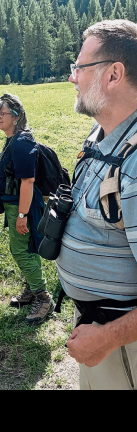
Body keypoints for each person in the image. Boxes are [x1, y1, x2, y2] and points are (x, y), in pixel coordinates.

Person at [56, 20, 137, 389]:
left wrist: (106, 338)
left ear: (114, 75)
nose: (73, 77)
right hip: (98, 330)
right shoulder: (101, 135)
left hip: (122, 345)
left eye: (80, 67)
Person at [0, 93, 52, 325]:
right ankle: (31, 287)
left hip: (21, 205)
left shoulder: (22, 142)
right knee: (28, 248)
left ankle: (42, 297)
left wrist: (22, 215)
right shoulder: (14, 139)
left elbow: (28, 181)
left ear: (15, 117)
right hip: (15, 202)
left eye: (2, 113)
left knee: (20, 251)